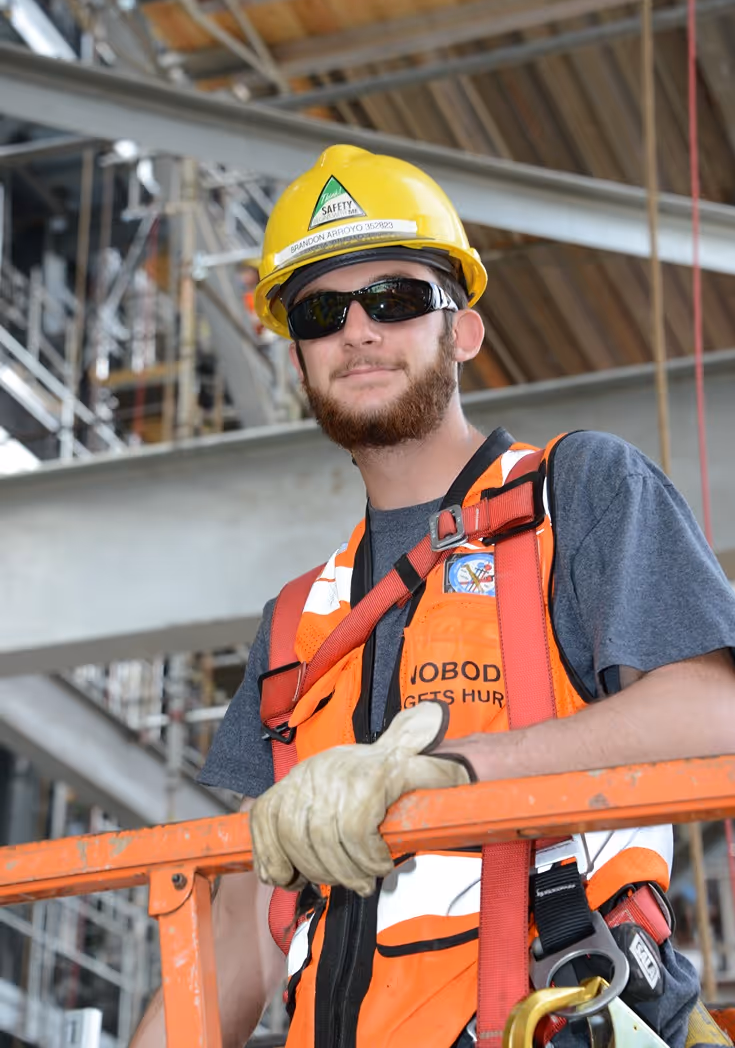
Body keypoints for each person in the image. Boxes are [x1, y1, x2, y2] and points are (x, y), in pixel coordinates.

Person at [131, 145, 735, 1048]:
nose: (358, 330)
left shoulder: (574, 495)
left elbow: (715, 713)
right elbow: (235, 932)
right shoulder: (299, 621)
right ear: (296, 357)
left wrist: (457, 773)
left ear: (463, 330)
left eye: (397, 299)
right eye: (320, 311)